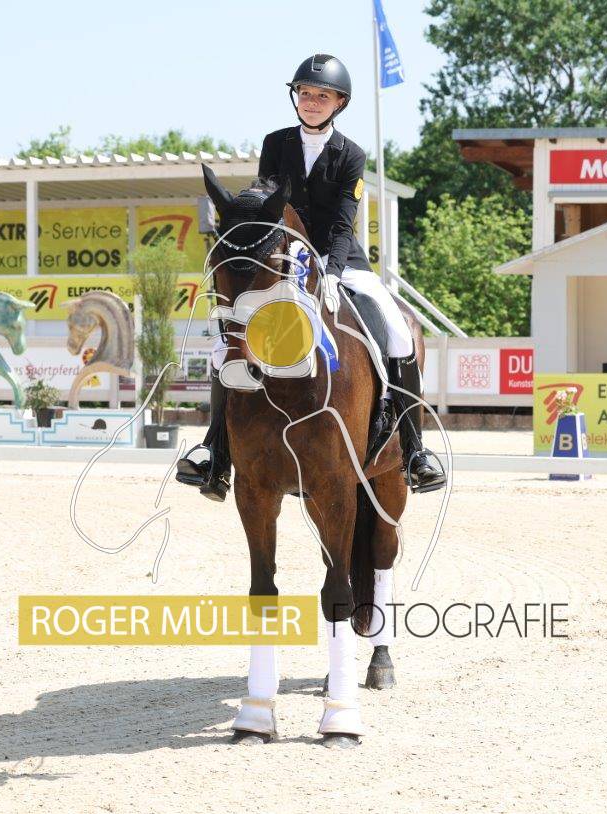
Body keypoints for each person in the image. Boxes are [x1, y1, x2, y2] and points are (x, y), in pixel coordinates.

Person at [176, 53, 446, 502]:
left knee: (398, 332)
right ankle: (215, 451)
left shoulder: (351, 155)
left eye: (322, 95)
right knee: (228, 343)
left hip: (343, 263)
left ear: (339, 103)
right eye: (305, 93)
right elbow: (267, 207)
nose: (312, 101)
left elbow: (342, 224)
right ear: (296, 98)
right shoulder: (275, 143)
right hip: (282, 261)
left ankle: (416, 451)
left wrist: (332, 273)